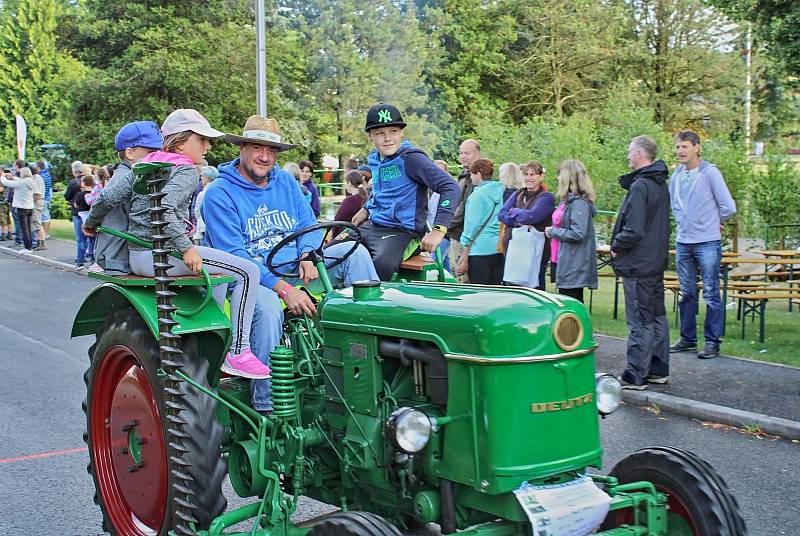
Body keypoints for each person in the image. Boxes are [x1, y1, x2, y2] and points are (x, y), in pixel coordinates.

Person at [202, 114, 378, 415]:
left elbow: (307, 223)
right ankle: (269, 405)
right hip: (251, 281)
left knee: (356, 252)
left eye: (271, 150)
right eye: (257, 147)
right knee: (269, 306)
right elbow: (235, 255)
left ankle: (368, 354)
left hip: (297, 267)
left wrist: (309, 253)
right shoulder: (218, 194)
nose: (264, 156)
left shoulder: (285, 181)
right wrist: (284, 289)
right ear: (242, 148)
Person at [86, 109, 269, 379]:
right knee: (248, 271)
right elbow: (164, 209)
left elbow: (108, 197)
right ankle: (239, 351)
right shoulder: (186, 170)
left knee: (218, 279)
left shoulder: (146, 164)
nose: (207, 146)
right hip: (162, 255)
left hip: (138, 256)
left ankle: (214, 340)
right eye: (202, 139)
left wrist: (91, 221)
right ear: (181, 142)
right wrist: (186, 247)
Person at [350, 103, 459, 281]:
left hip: (403, 231)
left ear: (402, 132)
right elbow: (383, 189)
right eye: (379, 133)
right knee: (334, 252)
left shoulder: (411, 158)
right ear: (370, 136)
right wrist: (367, 208)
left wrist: (439, 230)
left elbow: (450, 187)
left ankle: (375, 307)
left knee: (380, 266)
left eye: (393, 131)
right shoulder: (375, 159)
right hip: (374, 226)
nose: (387, 138)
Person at [668, 130, 737, 359]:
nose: (680, 151)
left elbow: (728, 206)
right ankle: (687, 339)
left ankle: (712, 342)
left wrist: (715, 222)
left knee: (710, 291)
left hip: (706, 241)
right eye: (678, 147)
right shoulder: (676, 176)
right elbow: (676, 205)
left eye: (685, 146)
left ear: (697, 147)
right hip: (684, 241)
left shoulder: (709, 173)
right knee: (686, 292)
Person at [610, 135, 670, 390]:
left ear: (639, 154)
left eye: (629, 151)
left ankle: (636, 373)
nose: (627, 156)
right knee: (656, 315)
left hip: (638, 262)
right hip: (654, 260)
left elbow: (633, 229)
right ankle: (657, 367)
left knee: (639, 319)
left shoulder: (641, 186)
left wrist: (616, 245)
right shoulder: (659, 183)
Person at [83, 120, 164, 274]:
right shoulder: (126, 179)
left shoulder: (131, 176)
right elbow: (102, 202)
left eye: (160, 151)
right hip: (119, 256)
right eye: (151, 151)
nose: (158, 156)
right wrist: (89, 223)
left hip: (121, 254)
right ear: (130, 153)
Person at [545, 160, 597, 302]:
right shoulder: (566, 202)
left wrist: (554, 232)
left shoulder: (579, 204)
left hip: (573, 263)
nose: (558, 178)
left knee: (571, 303)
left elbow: (578, 233)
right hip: (562, 258)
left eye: (560, 174)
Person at [498, 161, 554, 290]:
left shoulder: (546, 197)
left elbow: (532, 216)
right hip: (514, 249)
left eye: (533, 174)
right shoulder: (519, 194)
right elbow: (502, 214)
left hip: (535, 251)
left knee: (534, 287)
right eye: (526, 174)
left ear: (541, 177)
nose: (529, 178)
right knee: (513, 287)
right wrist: (517, 220)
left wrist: (514, 212)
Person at [455, 158, 504, 284]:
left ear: (478, 174)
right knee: (495, 289)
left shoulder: (477, 196)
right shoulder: (502, 191)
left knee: (478, 291)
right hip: (498, 247)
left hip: (479, 249)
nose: (471, 177)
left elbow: (472, 224)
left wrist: (464, 244)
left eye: (472, 174)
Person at [446, 139, 480, 282]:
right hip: (456, 234)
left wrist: (446, 224)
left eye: (467, 153)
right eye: (461, 153)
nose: (463, 156)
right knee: (457, 274)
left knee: (463, 277)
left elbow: (465, 208)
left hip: (465, 236)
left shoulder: (474, 178)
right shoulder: (464, 175)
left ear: (477, 154)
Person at [1, 166, 35, 252]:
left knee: (24, 229)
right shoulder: (31, 182)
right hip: (30, 207)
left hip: (22, 208)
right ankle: (30, 245)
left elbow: (5, 183)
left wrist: (2, 175)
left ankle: (27, 247)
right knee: (28, 227)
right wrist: (13, 177)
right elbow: (19, 181)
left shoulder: (21, 183)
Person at [65, 161, 89, 267]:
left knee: (80, 237)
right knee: (89, 235)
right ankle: (89, 254)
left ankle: (80, 259)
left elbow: (67, 195)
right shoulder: (90, 179)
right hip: (88, 210)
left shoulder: (73, 183)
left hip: (77, 211)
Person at [331, 170, 368, 238]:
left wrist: (333, 239)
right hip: (363, 235)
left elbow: (337, 223)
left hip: (347, 236)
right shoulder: (367, 198)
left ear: (349, 183)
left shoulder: (349, 201)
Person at [193, 165, 218, 245]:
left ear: (207, 177)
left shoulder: (203, 194)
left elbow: (197, 212)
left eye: (202, 176)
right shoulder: (219, 192)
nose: (201, 178)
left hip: (203, 228)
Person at [29, 164, 46, 250]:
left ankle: (41, 243)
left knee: (36, 222)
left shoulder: (36, 179)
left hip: (37, 202)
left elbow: (37, 194)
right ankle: (39, 241)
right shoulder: (37, 177)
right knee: (36, 222)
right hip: (39, 201)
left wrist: (33, 204)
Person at [37, 160, 53, 240]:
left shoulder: (41, 176)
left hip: (43, 198)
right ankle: (44, 233)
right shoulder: (47, 174)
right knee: (45, 216)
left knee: (45, 217)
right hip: (47, 196)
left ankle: (45, 234)